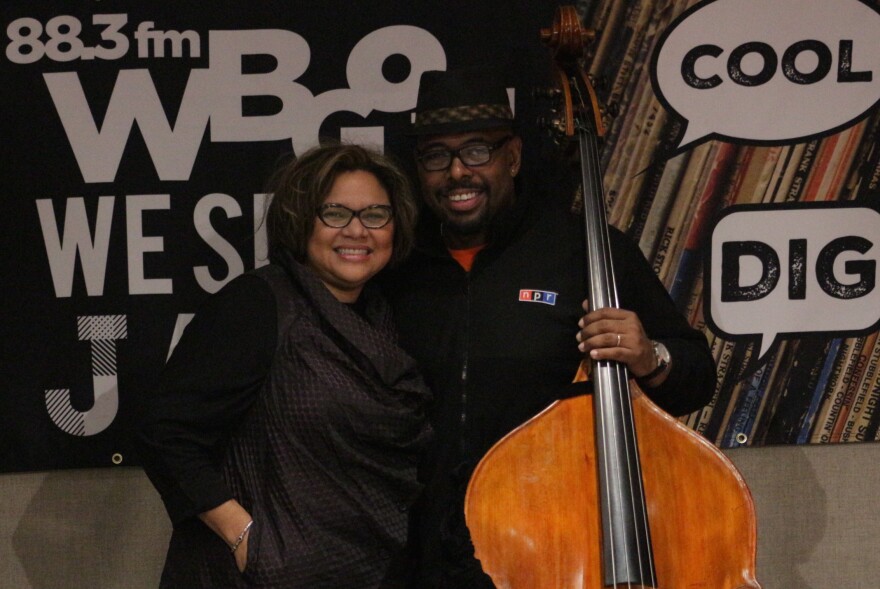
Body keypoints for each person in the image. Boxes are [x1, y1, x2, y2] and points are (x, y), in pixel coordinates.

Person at [380, 66, 717, 587]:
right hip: (418, 549)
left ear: (511, 157)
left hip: (552, 542)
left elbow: (697, 373)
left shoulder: (583, 251)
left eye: (476, 151)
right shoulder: (395, 265)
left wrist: (652, 358)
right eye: (435, 156)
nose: (456, 173)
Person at [137, 143, 432, 588]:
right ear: (301, 219)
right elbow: (163, 432)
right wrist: (246, 540)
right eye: (335, 213)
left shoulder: (386, 318)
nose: (357, 231)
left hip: (360, 574)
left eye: (375, 215)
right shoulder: (258, 305)